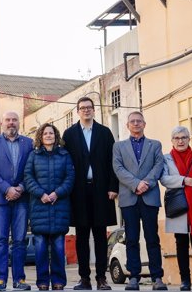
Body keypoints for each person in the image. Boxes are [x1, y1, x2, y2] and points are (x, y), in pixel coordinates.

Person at [62, 97, 118, 291]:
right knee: (82, 236)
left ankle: (102, 278)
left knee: (101, 236)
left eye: (89, 108)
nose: (86, 110)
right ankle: (84, 278)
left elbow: (113, 161)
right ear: (77, 111)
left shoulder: (104, 132)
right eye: (82, 108)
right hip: (78, 191)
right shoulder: (69, 135)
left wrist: (113, 187)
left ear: (94, 110)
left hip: (102, 190)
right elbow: (64, 164)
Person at [112, 111, 166, 291]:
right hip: (129, 198)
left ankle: (157, 277)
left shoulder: (155, 145)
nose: (136, 124)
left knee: (152, 238)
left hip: (149, 197)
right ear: (127, 125)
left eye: (139, 121)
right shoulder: (118, 146)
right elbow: (118, 168)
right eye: (132, 121)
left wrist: (146, 184)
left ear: (144, 124)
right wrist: (136, 184)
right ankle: (133, 277)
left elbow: (159, 166)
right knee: (132, 239)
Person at [0, 112, 34, 291]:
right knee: (0, 239)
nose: (11, 123)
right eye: (8, 120)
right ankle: (0, 280)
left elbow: (31, 169)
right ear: (2, 123)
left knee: (20, 240)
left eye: (14, 120)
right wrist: (7, 188)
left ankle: (19, 279)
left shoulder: (28, 143)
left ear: (19, 123)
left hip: (22, 198)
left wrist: (20, 187)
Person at [159, 126, 192, 292]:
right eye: (177, 138)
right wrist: (183, 180)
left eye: (184, 137)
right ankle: (185, 281)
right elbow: (164, 179)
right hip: (178, 207)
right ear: (172, 141)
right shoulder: (166, 159)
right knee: (181, 244)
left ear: (189, 139)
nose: (180, 141)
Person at [24, 123, 75, 291]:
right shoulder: (33, 155)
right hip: (39, 207)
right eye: (45, 133)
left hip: (59, 207)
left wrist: (57, 193)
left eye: (51, 133)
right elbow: (28, 177)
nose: (48, 135)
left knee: (59, 249)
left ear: (56, 136)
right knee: (40, 250)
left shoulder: (64, 155)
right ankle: (43, 282)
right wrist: (41, 194)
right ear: (40, 136)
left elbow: (70, 178)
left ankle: (59, 281)